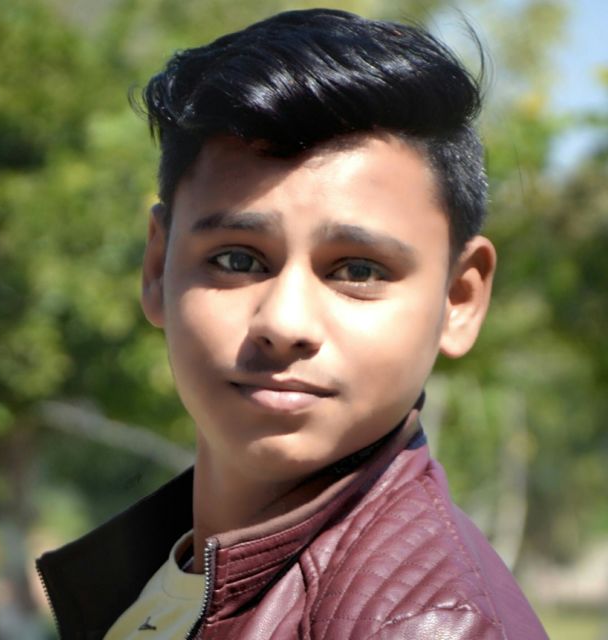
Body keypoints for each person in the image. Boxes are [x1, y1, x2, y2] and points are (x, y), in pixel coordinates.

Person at [37, 8, 549, 639]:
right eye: (236, 260)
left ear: (459, 299)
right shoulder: (168, 576)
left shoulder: (431, 626)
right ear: (156, 267)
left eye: (358, 270)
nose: (284, 322)